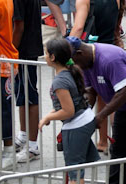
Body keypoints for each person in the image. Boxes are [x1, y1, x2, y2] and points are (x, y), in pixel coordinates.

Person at [68, 37, 126, 184]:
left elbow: (125, 91)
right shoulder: (86, 63)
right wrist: (84, 114)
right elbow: (90, 91)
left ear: (79, 53)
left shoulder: (110, 59)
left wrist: (100, 116)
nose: (73, 65)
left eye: (72, 60)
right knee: (119, 153)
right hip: (124, 106)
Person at [40, 38, 99, 184]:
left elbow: (68, 111)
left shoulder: (60, 81)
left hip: (77, 125)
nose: (45, 56)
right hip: (84, 119)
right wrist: (53, 114)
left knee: (75, 173)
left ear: (53, 57)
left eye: (46, 53)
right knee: (78, 169)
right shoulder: (69, 72)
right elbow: (67, 103)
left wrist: (48, 117)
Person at [8, 0, 41, 161]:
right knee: (22, 95)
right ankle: (23, 134)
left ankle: (33, 146)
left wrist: (12, 51)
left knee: (30, 96)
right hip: (28, 49)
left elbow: (18, 26)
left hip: (24, 52)